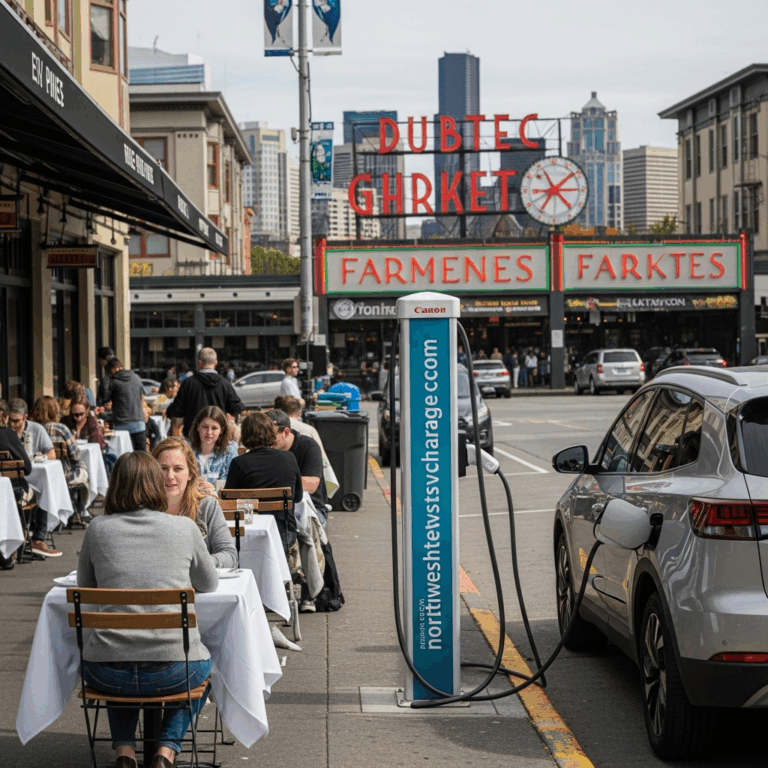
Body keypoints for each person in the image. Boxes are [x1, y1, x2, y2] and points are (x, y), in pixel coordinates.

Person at [77, 451, 219, 768]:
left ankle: (125, 753)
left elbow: (86, 587)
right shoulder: (184, 528)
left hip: (106, 674)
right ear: (157, 484)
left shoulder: (97, 529)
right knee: (208, 662)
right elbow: (209, 584)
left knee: (116, 648)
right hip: (174, 672)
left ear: (116, 486)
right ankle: (165, 752)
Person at [151, 437, 237, 569]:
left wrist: (199, 563)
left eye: (178, 469)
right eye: (163, 468)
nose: (170, 476)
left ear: (190, 473)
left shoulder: (207, 506)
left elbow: (230, 556)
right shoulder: (143, 508)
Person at [224, 412, 302, 551]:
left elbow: (229, 503)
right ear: (271, 432)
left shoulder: (239, 463)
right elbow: (297, 497)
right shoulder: (289, 458)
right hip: (284, 533)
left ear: (245, 436)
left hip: (249, 533)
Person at [31, 395, 90, 520]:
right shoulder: (60, 428)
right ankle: (82, 510)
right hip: (63, 475)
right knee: (83, 469)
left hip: (37, 478)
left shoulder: (32, 429)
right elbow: (75, 455)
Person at [166, 348, 243, 438]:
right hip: (217, 436)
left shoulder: (189, 383)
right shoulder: (224, 383)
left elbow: (177, 410)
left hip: (194, 436)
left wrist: (169, 411)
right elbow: (237, 407)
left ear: (199, 363)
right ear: (215, 363)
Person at [0, 410, 32, 569]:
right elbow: (27, 467)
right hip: (15, 490)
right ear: (5, 417)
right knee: (34, 494)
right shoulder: (9, 435)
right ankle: (35, 536)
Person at [97, 358, 147, 452]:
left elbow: (105, 398)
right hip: (139, 423)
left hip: (121, 425)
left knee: (124, 456)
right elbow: (142, 397)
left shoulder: (113, 381)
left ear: (113, 369)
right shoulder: (136, 377)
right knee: (141, 456)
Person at [188, 406, 238, 488]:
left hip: (219, 499)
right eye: (205, 427)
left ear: (221, 430)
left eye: (214, 428)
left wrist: (214, 488)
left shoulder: (229, 451)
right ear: (198, 427)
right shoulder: (187, 450)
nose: (209, 432)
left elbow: (233, 483)